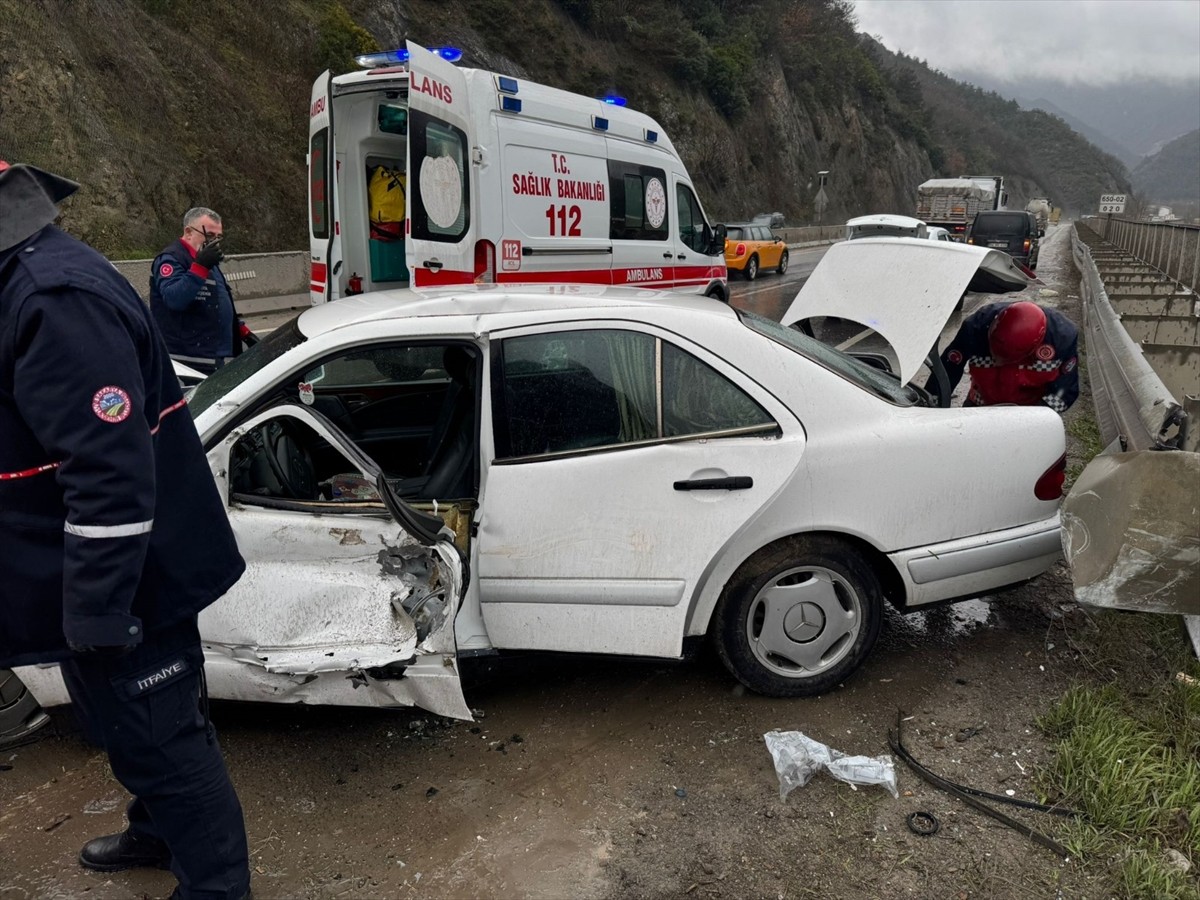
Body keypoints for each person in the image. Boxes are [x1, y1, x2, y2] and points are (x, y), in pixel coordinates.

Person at [0, 161, 251, 900]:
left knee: (164, 740)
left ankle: (216, 886)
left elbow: (109, 477)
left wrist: (99, 613)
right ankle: (157, 829)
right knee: (128, 725)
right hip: (97, 577)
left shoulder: (50, 296)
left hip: (129, 581)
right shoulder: (22, 275)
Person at [150, 207, 248, 375]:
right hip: (190, 359)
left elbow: (217, 299)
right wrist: (200, 266)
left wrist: (239, 330)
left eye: (218, 238)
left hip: (217, 355)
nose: (215, 243)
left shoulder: (208, 259)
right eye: (209, 236)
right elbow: (174, 298)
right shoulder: (171, 259)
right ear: (188, 232)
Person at [935, 300, 1080, 412]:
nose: (997, 362)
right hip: (978, 408)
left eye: (1004, 359)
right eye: (994, 355)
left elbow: (1065, 391)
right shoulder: (974, 328)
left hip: (1030, 413)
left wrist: (1035, 420)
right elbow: (946, 372)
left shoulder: (1062, 338)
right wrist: (932, 409)